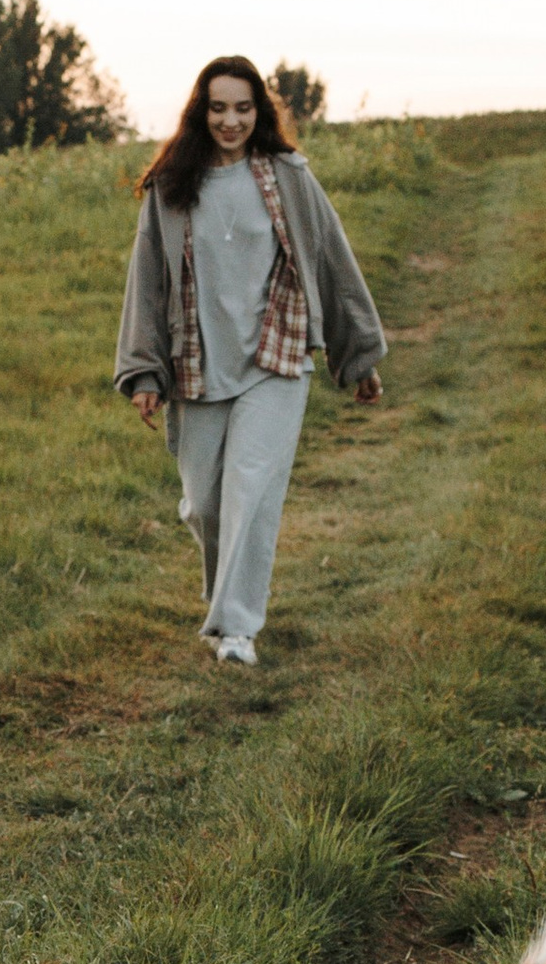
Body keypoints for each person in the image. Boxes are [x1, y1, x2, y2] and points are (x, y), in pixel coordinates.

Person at [114, 55, 386, 667]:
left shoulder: (289, 177)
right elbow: (147, 283)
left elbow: (332, 262)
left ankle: (236, 629)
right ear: (200, 112)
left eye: (242, 108)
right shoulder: (171, 187)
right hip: (199, 364)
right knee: (205, 505)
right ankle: (224, 595)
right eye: (218, 108)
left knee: (249, 491)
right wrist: (144, 372)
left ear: (259, 112)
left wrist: (358, 356)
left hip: (275, 359)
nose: (230, 121)